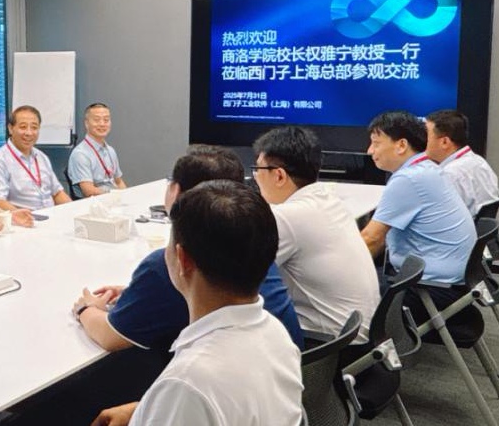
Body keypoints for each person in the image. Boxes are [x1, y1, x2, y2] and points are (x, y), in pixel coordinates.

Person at [93, 181, 304, 426]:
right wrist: (147, 409)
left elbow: (197, 394)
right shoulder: (277, 335)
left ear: (183, 260)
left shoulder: (189, 382)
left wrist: (167, 406)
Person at [72, 147, 304, 353]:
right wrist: (135, 294)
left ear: (175, 191)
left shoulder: (172, 263)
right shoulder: (251, 239)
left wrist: (86, 309)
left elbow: (110, 337)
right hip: (281, 365)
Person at [252, 126, 380, 342]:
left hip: (327, 343)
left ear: (279, 176)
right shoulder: (329, 200)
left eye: (258, 169)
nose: (255, 177)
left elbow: (238, 277)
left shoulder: (288, 216)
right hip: (357, 334)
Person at [361, 111, 477, 330]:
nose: (370, 151)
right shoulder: (426, 169)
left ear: (401, 145)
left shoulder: (409, 178)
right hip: (453, 282)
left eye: (376, 143)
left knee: (343, 290)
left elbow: (372, 239)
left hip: (431, 289)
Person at [0, 105, 71, 211]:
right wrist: (21, 216)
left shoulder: (41, 157)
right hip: (23, 218)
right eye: (23, 127)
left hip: (51, 216)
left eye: (34, 128)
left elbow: (57, 193)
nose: (29, 133)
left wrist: (74, 211)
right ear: (10, 129)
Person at [425, 109, 499, 217]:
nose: (421, 140)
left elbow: (437, 218)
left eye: (426, 136)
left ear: (445, 142)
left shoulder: (450, 174)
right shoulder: (479, 161)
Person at [68, 103, 127, 197]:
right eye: (96, 120)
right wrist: (115, 195)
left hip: (113, 199)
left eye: (106, 120)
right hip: (95, 203)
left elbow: (119, 182)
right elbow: (89, 191)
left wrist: (126, 196)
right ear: (86, 123)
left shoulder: (110, 151)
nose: (102, 124)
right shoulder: (80, 154)